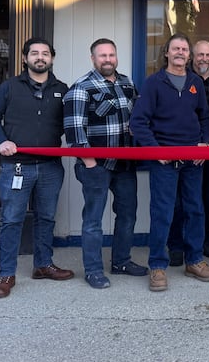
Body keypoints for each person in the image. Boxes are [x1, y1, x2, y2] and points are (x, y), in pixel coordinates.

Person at [0, 37, 74, 298]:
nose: (40, 57)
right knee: (12, 220)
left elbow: (74, 119)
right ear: (25, 59)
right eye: (34, 53)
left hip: (50, 168)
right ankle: (6, 275)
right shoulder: (9, 87)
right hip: (16, 167)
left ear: (52, 59)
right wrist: (1, 141)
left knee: (46, 218)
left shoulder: (62, 89)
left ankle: (43, 265)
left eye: (45, 53)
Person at [129, 33, 209, 291]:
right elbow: (138, 122)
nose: (180, 52)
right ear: (166, 53)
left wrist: (205, 144)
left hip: (193, 160)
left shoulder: (195, 83)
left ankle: (194, 261)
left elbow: (204, 117)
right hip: (164, 161)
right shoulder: (153, 83)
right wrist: (155, 150)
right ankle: (157, 266)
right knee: (163, 213)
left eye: (184, 49)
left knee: (195, 211)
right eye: (175, 48)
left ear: (189, 55)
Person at [63, 38, 148, 289]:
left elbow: (138, 119)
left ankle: (121, 261)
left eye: (111, 54)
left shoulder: (127, 83)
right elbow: (74, 131)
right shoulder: (81, 87)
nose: (108, 59)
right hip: (96, 166)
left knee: (127, 215)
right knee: (93, 221)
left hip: (124, 165)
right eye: (102, 56)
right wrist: (90, 163)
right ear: (93, 59)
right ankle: (93, 270)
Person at [168, 39, 209, 264]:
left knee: (208, 201)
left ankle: (204, 240)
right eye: (200, 55)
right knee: (179, 202)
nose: (204, 59)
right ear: (192, 56)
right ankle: (176, 244)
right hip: (183, 151)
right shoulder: (183, 80)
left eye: (208, 55)